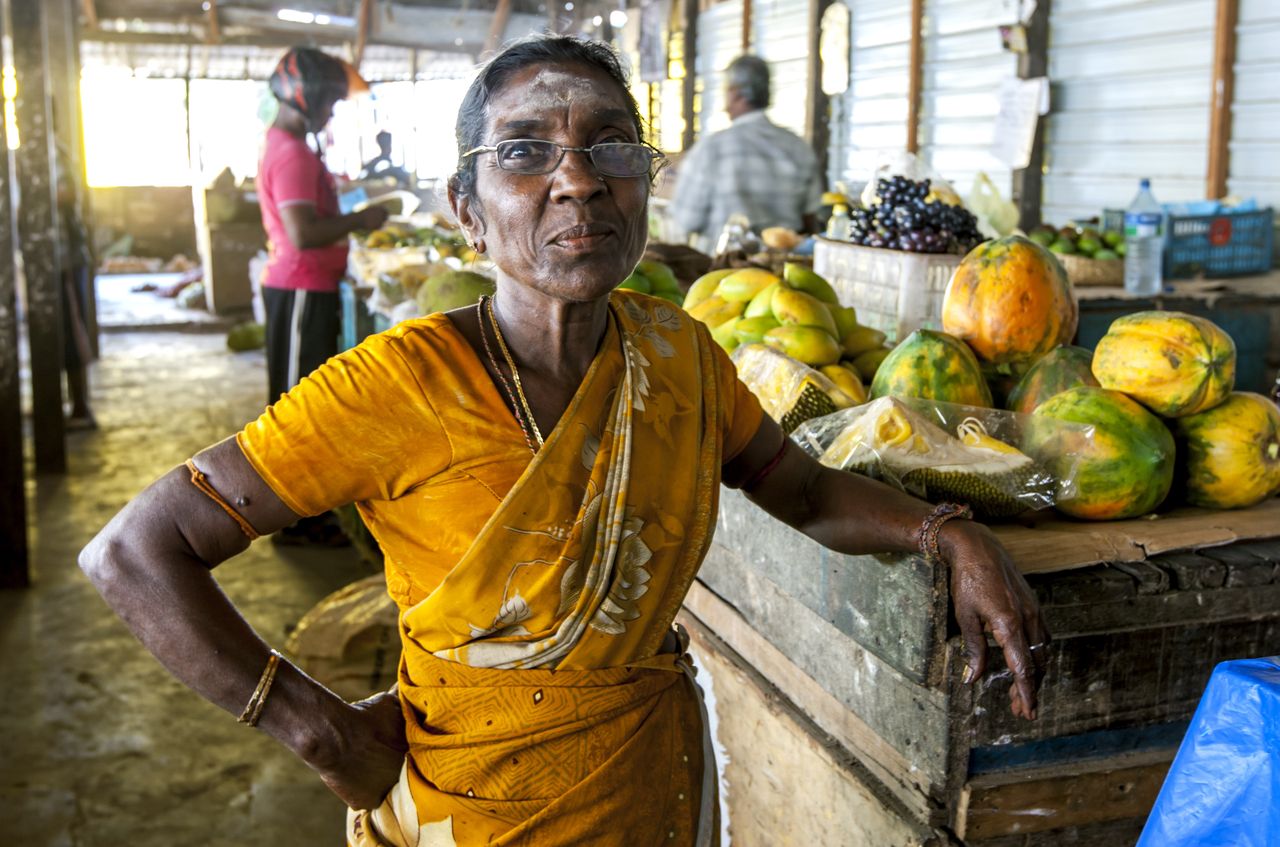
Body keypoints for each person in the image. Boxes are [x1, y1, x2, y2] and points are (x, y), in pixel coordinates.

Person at [80, 36, 1048, 846]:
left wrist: (945, 533)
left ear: (644, 186)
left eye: (611, 146)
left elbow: (800, 490)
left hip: (648, 784)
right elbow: (133, 551)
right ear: (466, 210)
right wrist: (324, 735)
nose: (577, 179)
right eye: (524, 151)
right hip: (471, 805)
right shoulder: (398, 383)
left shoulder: (679, 354)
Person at [259, 47, 389, 406]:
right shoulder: (292, 154)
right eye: (330, 102)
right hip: (301, 285)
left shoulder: (288, 145)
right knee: (294, 402)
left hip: (308, 284)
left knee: (307, 397)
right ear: (308, 98)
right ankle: (288, 463)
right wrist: (361, 219)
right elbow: (302, 234)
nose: (331, 112)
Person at [669, 55, 824, 253]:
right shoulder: (798, 147)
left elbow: (686, 220)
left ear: (734, 94)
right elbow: (811, 220)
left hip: (723, 275)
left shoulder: (712, 149)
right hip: (784, 271)